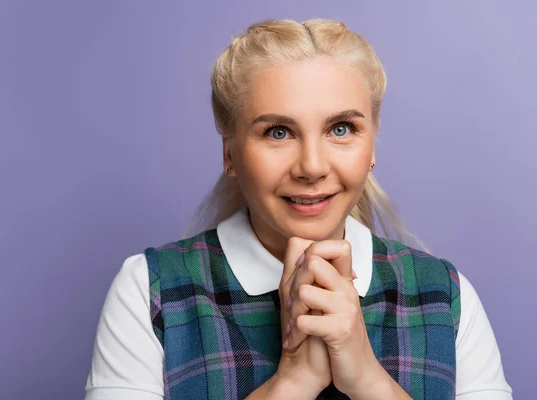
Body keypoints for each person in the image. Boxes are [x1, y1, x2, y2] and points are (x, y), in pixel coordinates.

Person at [84, 18, 512, 399]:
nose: (312, 166)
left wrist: (367, 380)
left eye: (341, 129)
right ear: (230, 152)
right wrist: (294, 383)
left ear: (372, 145)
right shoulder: (151, 291)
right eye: (278, 132)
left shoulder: (445, 295)